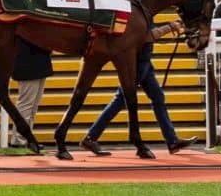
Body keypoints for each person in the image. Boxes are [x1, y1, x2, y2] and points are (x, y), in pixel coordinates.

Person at [80, 20, 194, 155]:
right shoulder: (137, 10)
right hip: (138, 63)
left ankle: (172, 140)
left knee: (157, 97)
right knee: (121, 99)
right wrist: (169, 27)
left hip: (143, 61)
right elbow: (147, 36)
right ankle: (90, 137)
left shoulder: (144, 11)